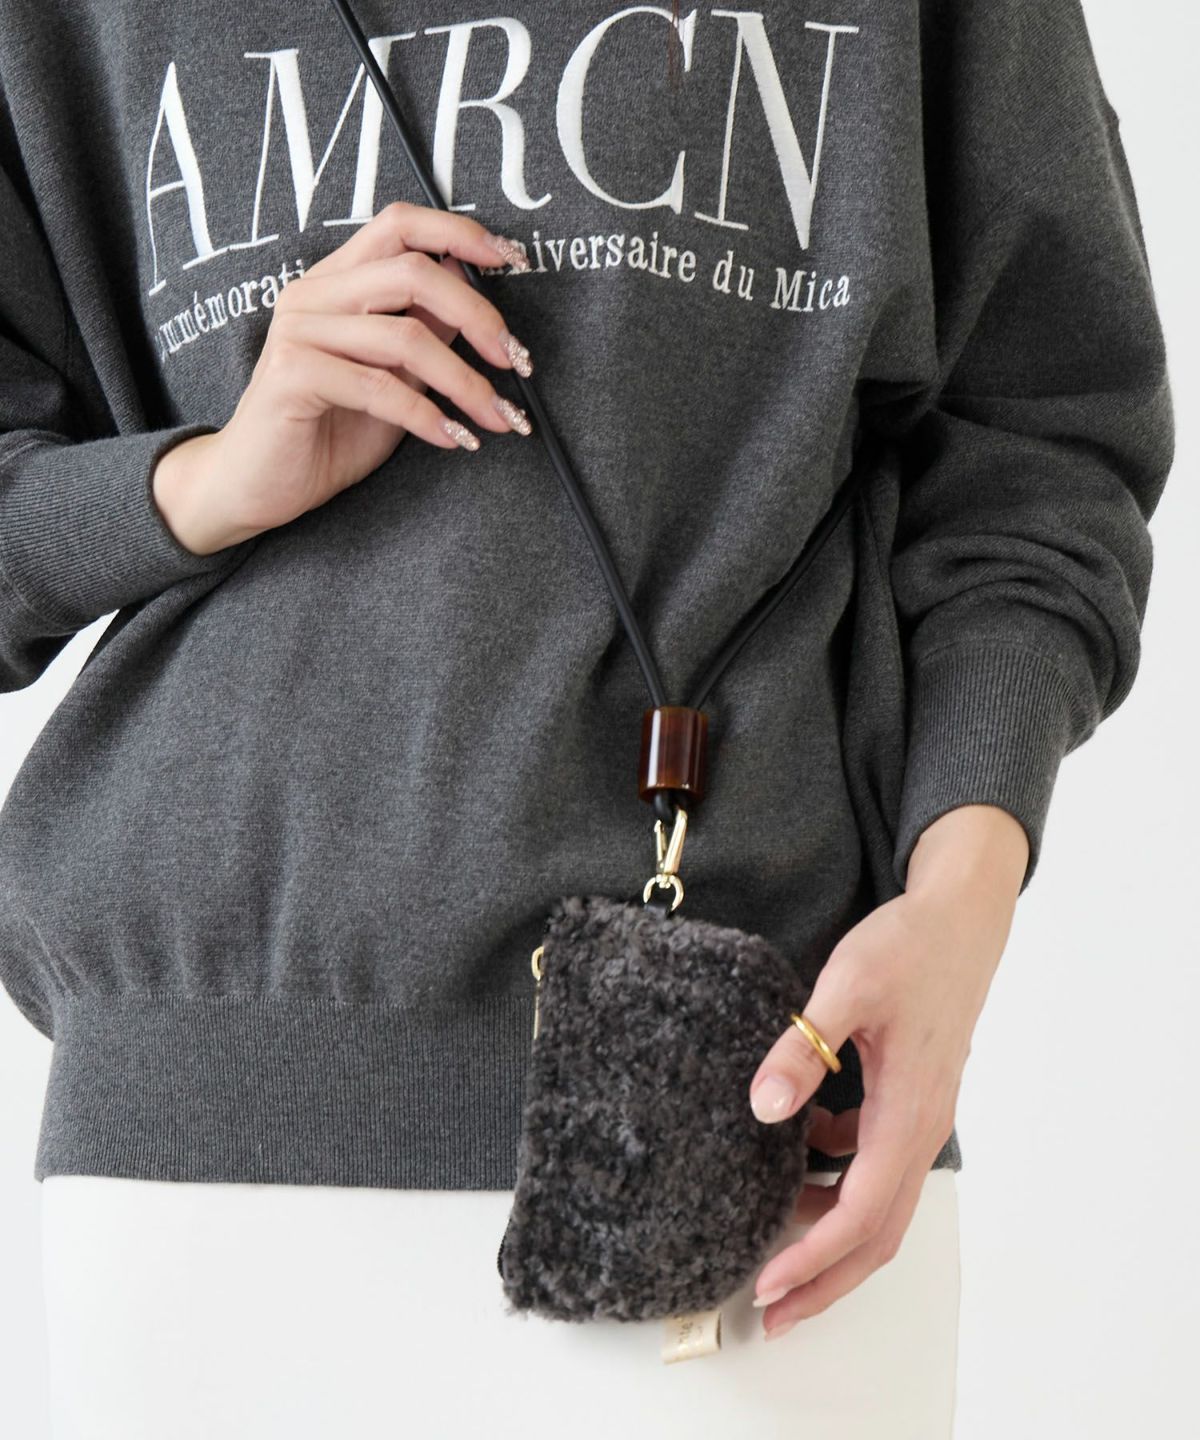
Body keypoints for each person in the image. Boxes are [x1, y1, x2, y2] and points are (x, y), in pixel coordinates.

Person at [0, 0, 1174, 1434]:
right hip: (194, 1159)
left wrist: (962, 900)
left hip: (757, 1105)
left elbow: (1042, 447)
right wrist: (206, 479)